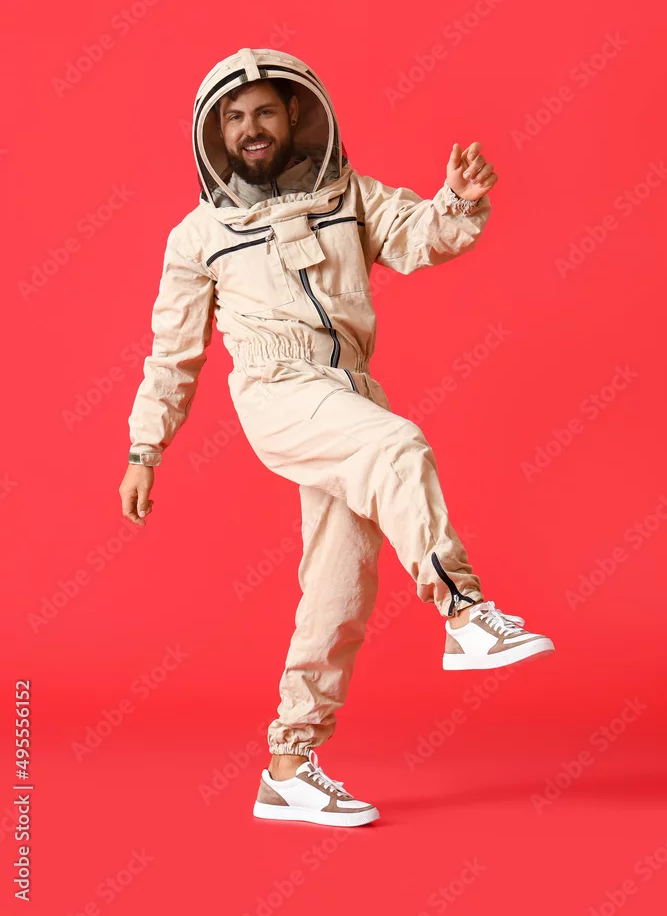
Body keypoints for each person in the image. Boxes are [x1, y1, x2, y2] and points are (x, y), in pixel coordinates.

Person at [119, 47, 555, 827]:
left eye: (263, 110)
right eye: (233, 116)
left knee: (339, 587)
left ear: (294, 113)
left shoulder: (348, 194)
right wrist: (144, 450)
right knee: (397, 447)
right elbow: (173, 353)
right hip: (277, 391)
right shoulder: (197, 236)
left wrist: (455, 202)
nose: (250, 127)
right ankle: (462, 611)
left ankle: (288, 766)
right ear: (215, 132)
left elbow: (418, 236)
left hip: (348, 387)